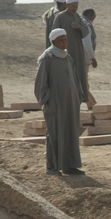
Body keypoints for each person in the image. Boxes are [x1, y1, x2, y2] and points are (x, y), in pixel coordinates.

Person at [34, 28, 83, 176]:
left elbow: (75, 79)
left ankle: (70, 165)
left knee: (70, 133)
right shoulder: (47, 58)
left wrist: (77, 96)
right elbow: (40, 85)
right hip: (55, 104)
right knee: (55, 133)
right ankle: (52, 166)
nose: (64, 43)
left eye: (65, 39)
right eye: (61, 40)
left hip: (70, 104)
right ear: (53, 41)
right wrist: (48, 100)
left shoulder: (68, 57)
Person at [52, 0, 89, 103]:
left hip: (77, 52)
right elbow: (54, 34)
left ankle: (78, 98)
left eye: (76, 7)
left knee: (78, 74)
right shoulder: (60, 17)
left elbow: (86, 32)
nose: (74, 9)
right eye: (73, 6)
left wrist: (78, 28)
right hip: (64, 52)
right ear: (67, 6)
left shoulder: (77, 17)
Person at [81, 8, 98, 109]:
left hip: (82, 57)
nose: (92, 21)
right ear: (89, 15)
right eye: (92, 18)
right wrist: (92, 57)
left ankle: (90, 103)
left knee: (84, 81)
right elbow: (87, 42)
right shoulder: (85, 24)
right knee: (83, 82)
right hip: (84, 57)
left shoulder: (80, 22)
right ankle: (91, 103)